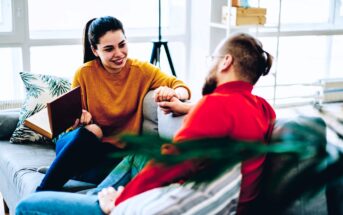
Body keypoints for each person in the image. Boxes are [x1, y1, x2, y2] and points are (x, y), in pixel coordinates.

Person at [16, 33, 275, 215]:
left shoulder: (216, 104)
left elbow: (171, 163)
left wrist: (119, 202)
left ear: (226, 62)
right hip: (218, 202)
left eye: (212, 58)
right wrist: (187, 107)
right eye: (108, 49)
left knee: (26, 207)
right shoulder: (263, 108)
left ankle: (98, 201)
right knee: (135, 155)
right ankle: (98, 197)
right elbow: (235, 114)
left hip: (169, 205)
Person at [36, 16, 191, 191]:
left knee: (125, 171)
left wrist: (173, 93)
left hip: (112, 155)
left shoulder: (141, 71)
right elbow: (72, 124)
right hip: (80, 144)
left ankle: (64, 171)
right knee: (94, 130)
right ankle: (43, 190)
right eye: (109, 49)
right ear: (95, 50)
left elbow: (182, 87)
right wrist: (81, 118)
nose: (119, 53)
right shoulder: (84, 73)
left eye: (122, 44)